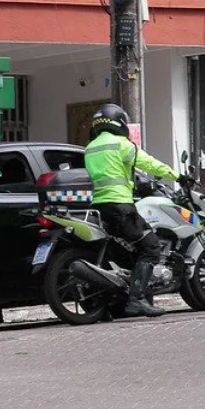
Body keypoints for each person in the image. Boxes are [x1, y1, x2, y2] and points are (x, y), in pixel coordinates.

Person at [84, 103, 192, 318]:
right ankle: (137, 300)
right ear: (119, 121)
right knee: (151, 249)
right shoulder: (121, 144)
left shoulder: (91, 147)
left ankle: (121, 298)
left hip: (99, 205)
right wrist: (178, 177)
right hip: (121, 205)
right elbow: (149, 164)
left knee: (127, 252)